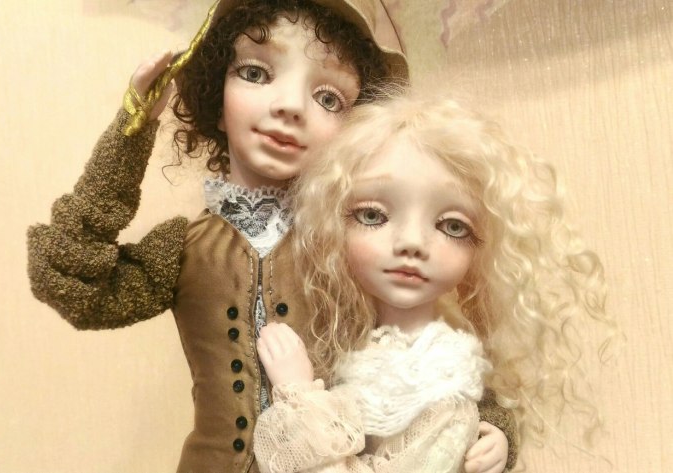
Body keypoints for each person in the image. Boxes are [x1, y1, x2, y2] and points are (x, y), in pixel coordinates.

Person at [26, 1, 516, 472]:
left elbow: (421, 345)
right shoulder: (183, 248)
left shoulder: (349, 242)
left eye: (328, 99)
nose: (289, 106)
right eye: (257, 73)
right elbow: (75, 286)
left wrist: (491, 423)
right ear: (216, 99)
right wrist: (131, 133)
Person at [253, 92, 613, 472]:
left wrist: (298, 392)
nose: (411, 243)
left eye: (452, 226)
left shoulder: (444, 380)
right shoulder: (351, 342)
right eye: (373, 216)